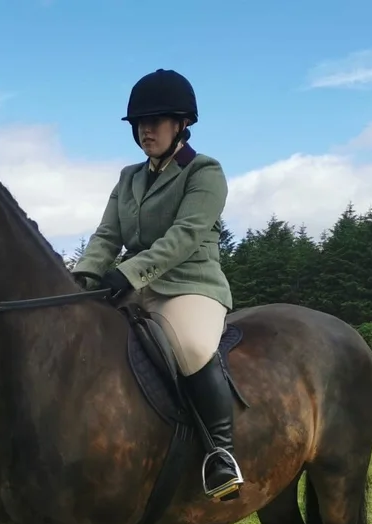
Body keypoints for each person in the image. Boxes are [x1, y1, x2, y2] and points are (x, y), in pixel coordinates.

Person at [71, 69, 241, 500]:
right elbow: (108, 235)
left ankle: (220, 453)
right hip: (136, 286)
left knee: (191, 348)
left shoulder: (205, 171)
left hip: (190, 286)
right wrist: (82, 278)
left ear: (182, 123)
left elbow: (183, 237)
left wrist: (126, 274)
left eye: (158, 120)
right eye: (140, 123)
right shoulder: (128, 177)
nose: (147, 129)